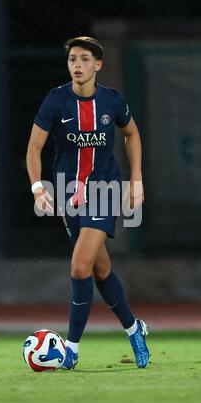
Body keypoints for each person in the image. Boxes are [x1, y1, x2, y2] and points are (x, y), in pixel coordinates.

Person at [26, 36, 149, 369]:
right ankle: (135, 329)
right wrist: (38, 186)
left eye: (83, 59)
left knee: (80, 265)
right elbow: (34, 148)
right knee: (100, 269)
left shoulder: (112, 101)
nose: (76, 65)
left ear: (98, 65)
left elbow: (132, 134)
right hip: (68, 193)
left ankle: (71, 350)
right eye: (71, 60)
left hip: (104, 190)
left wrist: (136, 178)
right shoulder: (55, 101)